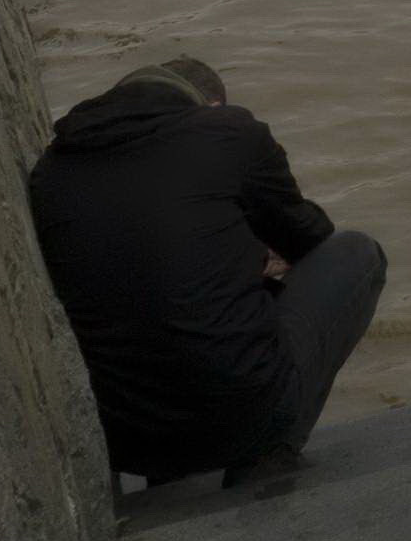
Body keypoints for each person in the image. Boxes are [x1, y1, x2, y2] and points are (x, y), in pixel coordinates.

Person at [28, 58, 387, 490]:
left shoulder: (51, 173)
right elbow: (309, 239)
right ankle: (269, 453)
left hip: (123, 442)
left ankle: (169, 480)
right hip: (238, 416)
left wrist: (239, 253)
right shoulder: (228, 132)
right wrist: (257, 254)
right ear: (212, 106)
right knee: (358, 254)